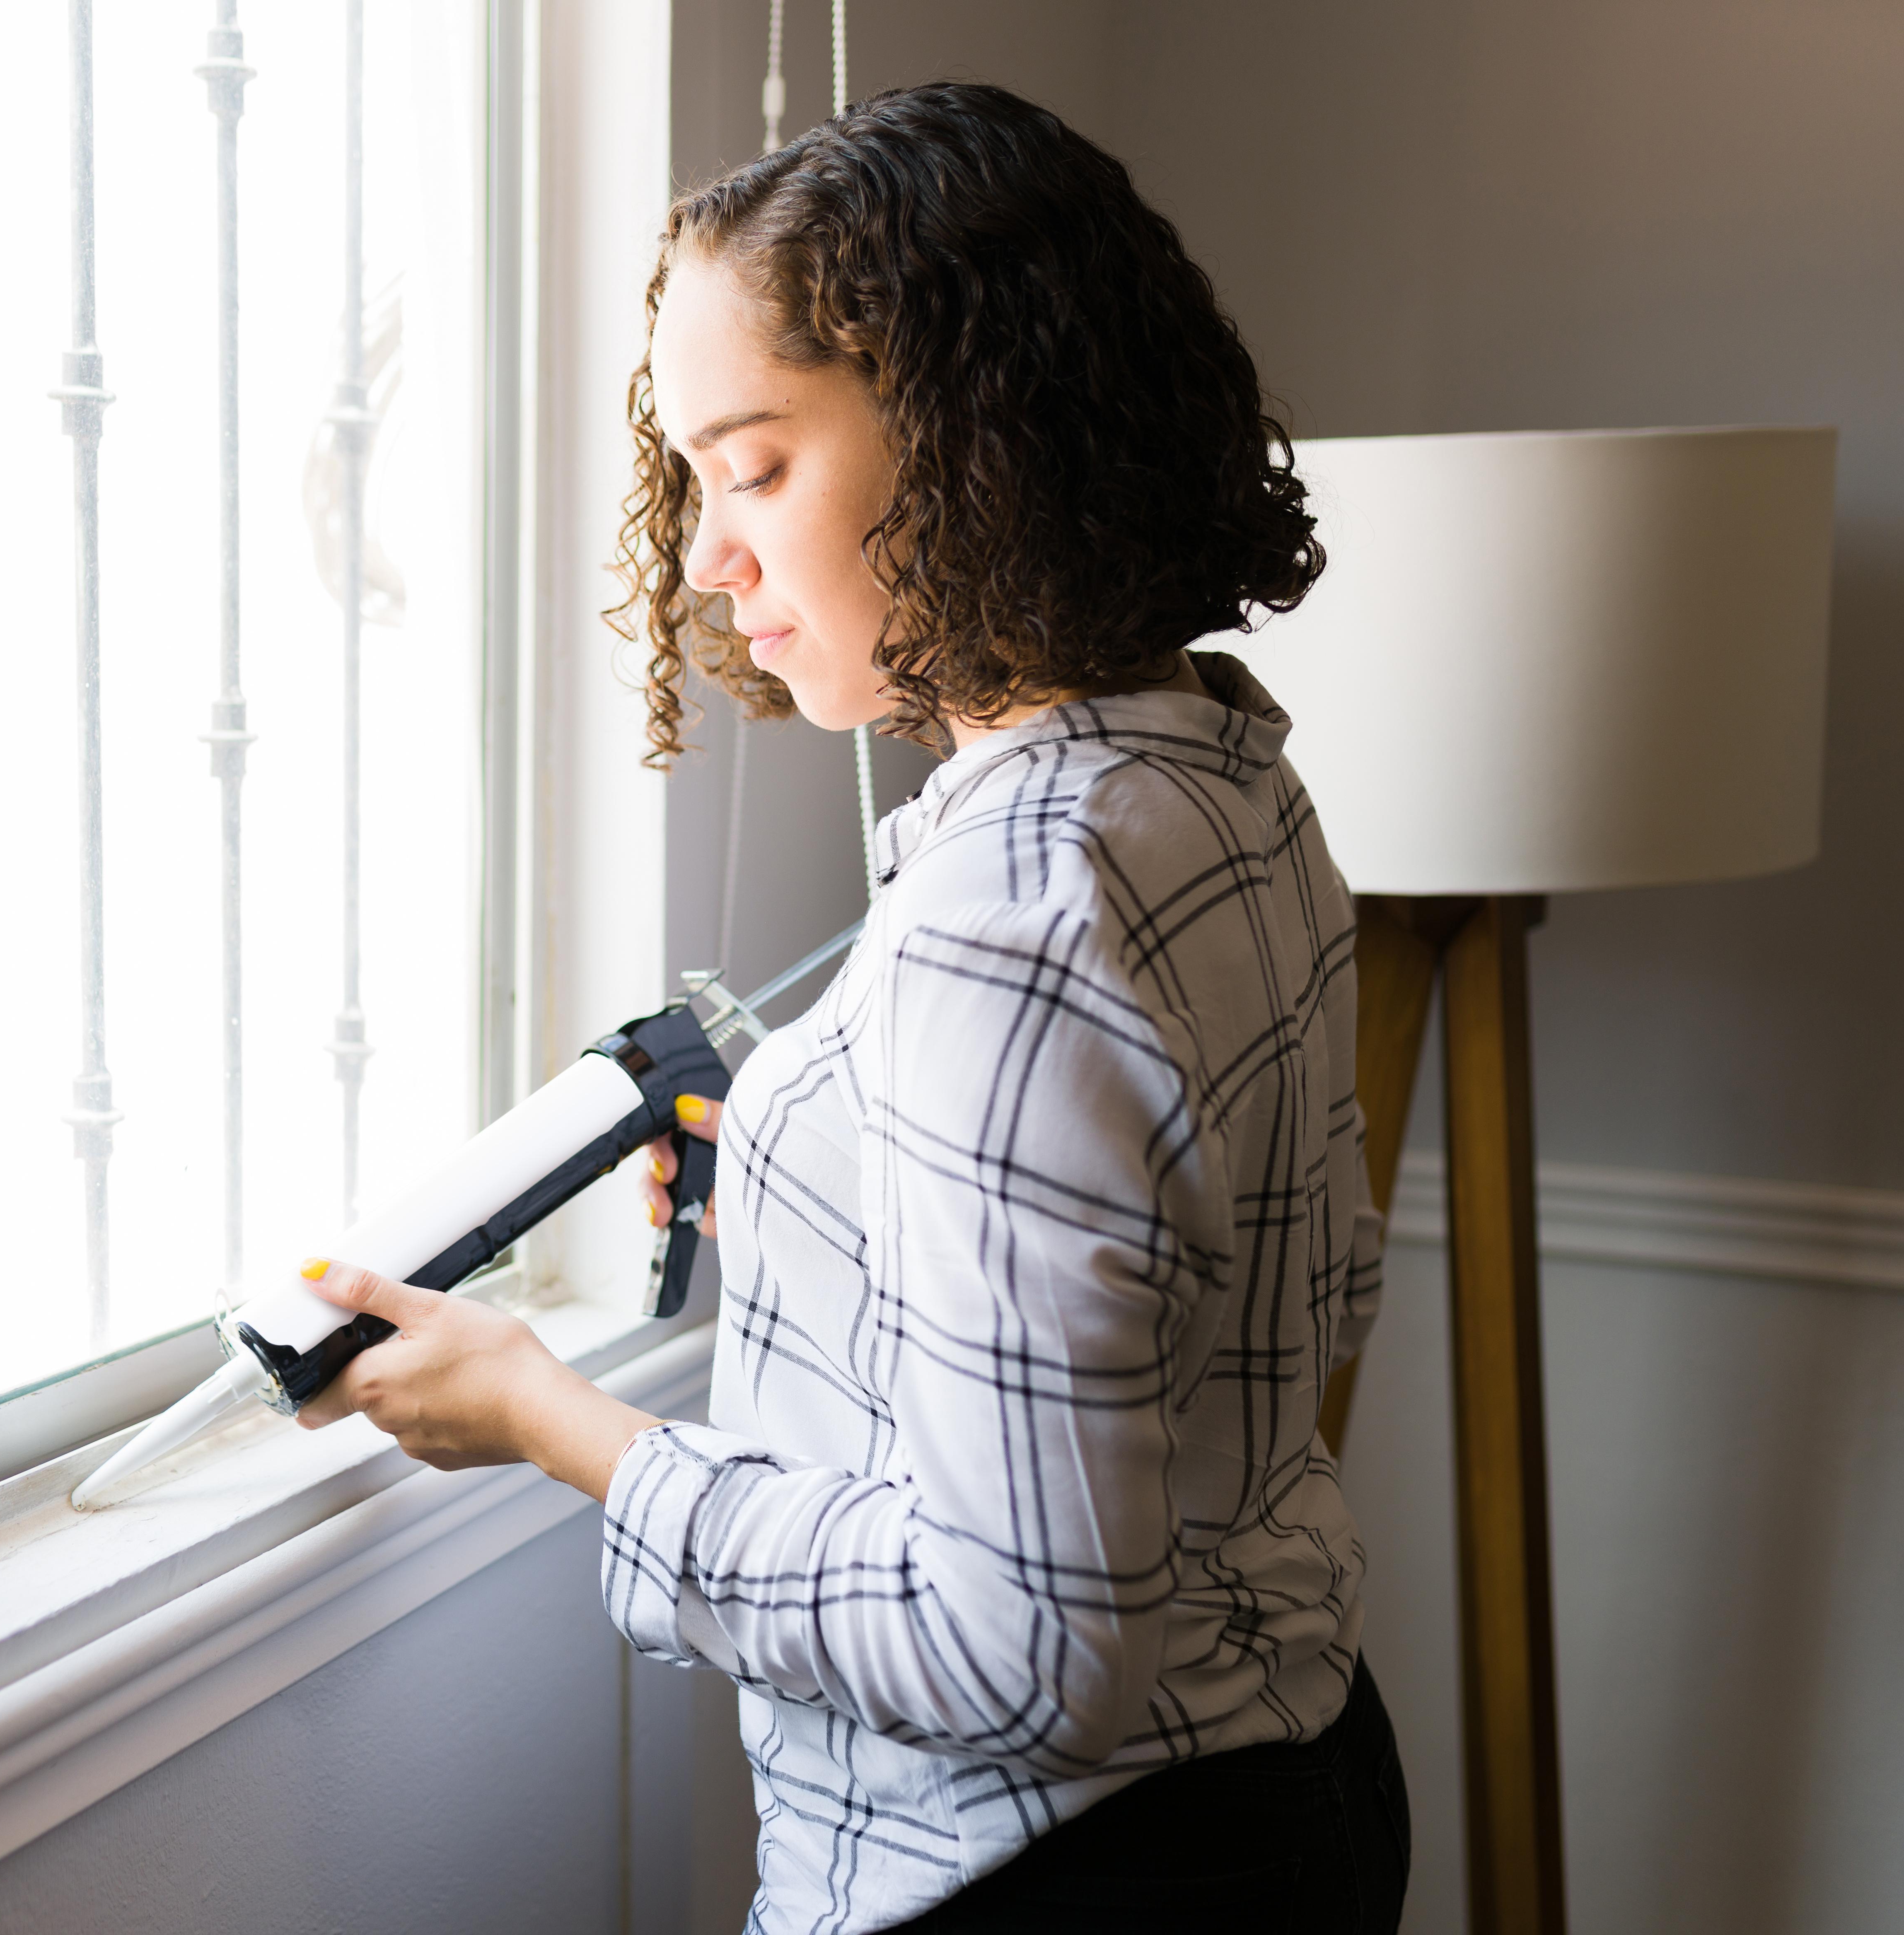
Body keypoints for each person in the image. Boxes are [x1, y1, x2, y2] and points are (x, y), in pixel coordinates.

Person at [294, 82, 1406, 1933]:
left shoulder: (1014, 910)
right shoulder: (1219, 776)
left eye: (756, 464)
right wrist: (845, 1174)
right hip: (1290, 1781)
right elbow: (1296, 1282)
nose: (713, 560)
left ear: (982, 432)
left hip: (1044, 1866)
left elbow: (1026, 1647)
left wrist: (553, 1419)